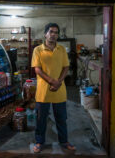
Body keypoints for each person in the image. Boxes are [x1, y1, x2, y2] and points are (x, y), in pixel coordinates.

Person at [31, 23, 76, 153]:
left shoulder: (61, 49)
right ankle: (39, 142)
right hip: (43, 91)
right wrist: (52, 81)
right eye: (51, 32)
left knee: (61, 118)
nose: (54, 35)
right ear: (45, 34)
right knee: (41, 119)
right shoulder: (38, 50)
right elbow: (37, 69)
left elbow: (66, 67)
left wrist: (59, 81)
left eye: (56, 32)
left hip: (59, 90)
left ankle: (64, 141)